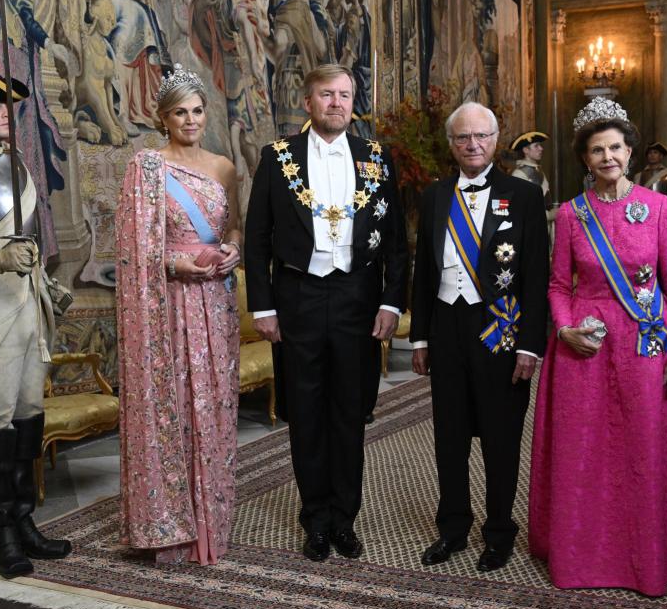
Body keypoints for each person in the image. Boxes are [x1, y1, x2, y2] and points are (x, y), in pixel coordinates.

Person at [528, 97, 667, 597]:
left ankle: (648, 554)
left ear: (630, 151)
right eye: (597, 150)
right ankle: (587, 555)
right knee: (588, 451)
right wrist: (564, 328)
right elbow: (558, 285)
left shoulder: (659, 208)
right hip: (587, 349)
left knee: (645, 447)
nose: (608, 157)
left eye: (615, 147)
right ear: (585, 158)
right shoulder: (571, 215)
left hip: (647, 343)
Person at [245, 64, 407, 562]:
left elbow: (396, 241)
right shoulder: (277, 157)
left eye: (344, 95)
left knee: (350, 411)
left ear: (353, 103)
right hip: (298, 296)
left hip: (358, 296)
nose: (337, 103)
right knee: (306, 411)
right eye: (326, 95)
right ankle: (315, 519)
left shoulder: (376, 157)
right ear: (308, 102)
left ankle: (344, 519)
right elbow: (257, 238)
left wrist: (390, 301)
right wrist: (263, 306)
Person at [411, 102, 549, 572]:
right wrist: (420, 338)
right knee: (449, 437)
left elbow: (536, 276)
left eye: (481, 136)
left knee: (500, 435)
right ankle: (452, 529)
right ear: (452, 144)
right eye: (463, 137)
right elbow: (424, 272)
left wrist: (530, 344)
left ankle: (499, 532)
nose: (473, 145)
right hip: (446, 328)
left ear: (495, 139)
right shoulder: (434, 195)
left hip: (500, 330)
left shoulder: (523, 195)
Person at [115, 64, 242, 565]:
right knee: (177, 402)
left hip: (217, 300)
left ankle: (210, 521)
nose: (191, 120)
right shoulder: (147, 167)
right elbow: (131, 248)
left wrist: (233, 250)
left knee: (213, 403)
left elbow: (234, 227)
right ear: (163, 119)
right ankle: (171, 526)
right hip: (168, 302)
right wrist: (174, 264)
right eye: (180, 113)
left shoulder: (224, 167)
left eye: (197, 110)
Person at [0, 70, 71, 579]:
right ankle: (0, 534)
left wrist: (46, 284)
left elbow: (26, 236)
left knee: (29, 413)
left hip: (29, 306)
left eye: (6, 105)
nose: (5, 113)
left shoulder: (17, 163)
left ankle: (24, 520)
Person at [511, 130, 557, 251]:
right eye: (536, 146)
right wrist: (550, 215)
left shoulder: (537, 170)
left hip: (543, 227)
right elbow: (522, 210)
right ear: (526, 150)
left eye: (540, 145)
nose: (541, 149)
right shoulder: (519, 174)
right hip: (531, 231)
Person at [633, 141, 667, 229]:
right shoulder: (639, 176)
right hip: (644, 218)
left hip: (663, 215)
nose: (652, 155)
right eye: (650, 153)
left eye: (655, 152)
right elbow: (635, 199)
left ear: (661, 156)